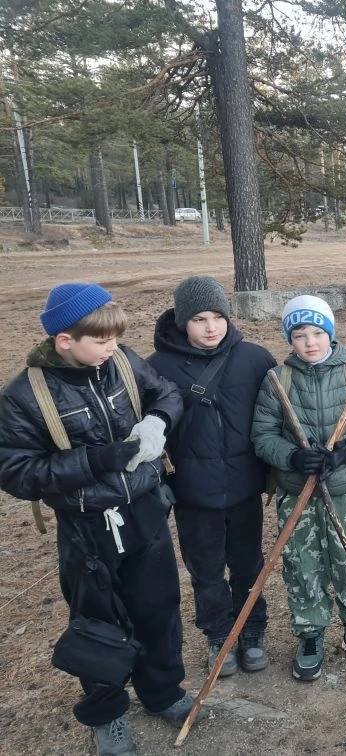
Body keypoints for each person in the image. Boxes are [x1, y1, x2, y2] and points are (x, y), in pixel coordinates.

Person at [0, 283, 203, 756]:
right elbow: (16, 471)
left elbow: (166, 393)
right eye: (102, 340)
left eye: (116, 338)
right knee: (97, 623)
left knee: (158, 607)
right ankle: (107, 714)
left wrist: (158, 420)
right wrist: (95, 460)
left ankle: (162, 691)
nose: (113, 347)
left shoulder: (124, 362)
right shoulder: (24, 395)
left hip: (145, 509)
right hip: (86, 527)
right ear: (64, 341)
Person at [251, 295, 346, 680]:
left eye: (317, 333)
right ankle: (310, 633)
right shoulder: (278, 380)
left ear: (330, 333)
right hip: (297, 492)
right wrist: (292, 457)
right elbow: (262, 436)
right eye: (299, 335)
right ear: (289, 339)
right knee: (302, 563)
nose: (309, 342)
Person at [147, 276, 276, 677]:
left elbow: (275, 418)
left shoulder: (255, 359)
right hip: (193, 492)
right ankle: (219, 634)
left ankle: (251, 629)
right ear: (182, 321)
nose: (210, 327)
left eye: (218, 317)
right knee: (206, 570)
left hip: (244, 487)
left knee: (248, 564)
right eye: (199, 319)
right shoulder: (157, 368)